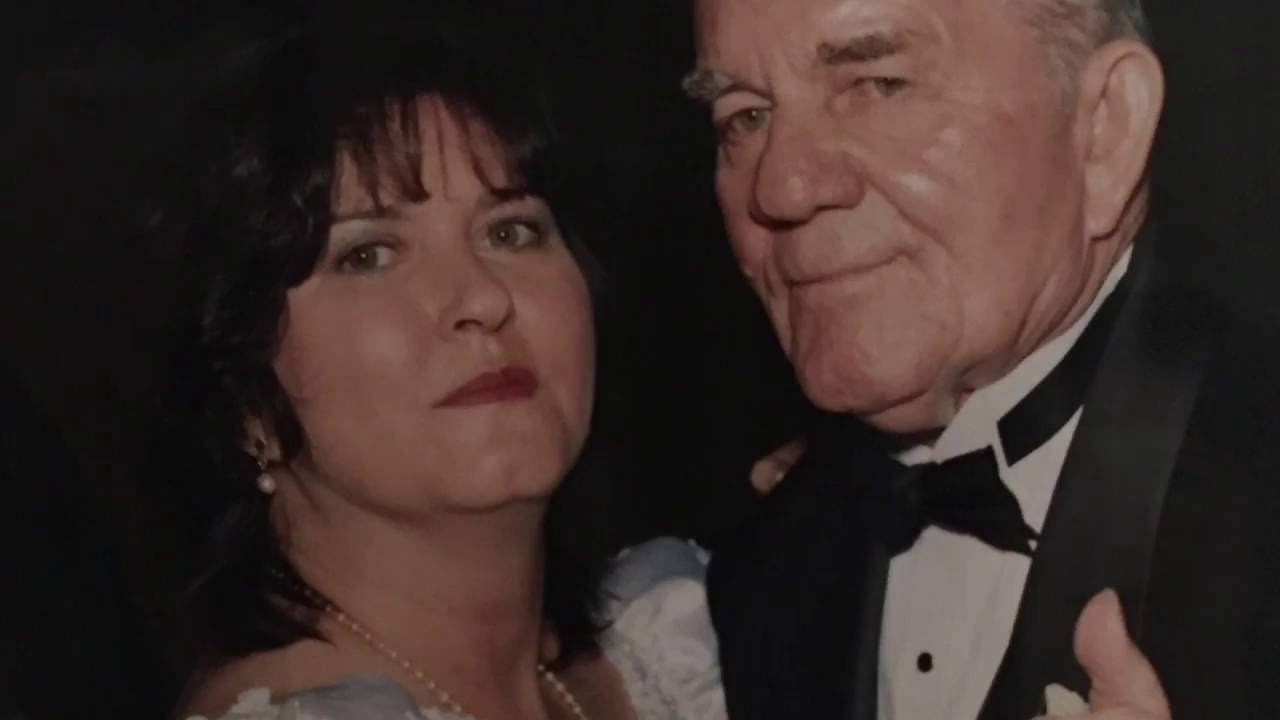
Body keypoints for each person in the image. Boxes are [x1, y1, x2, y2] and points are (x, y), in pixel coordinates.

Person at [684, 0, 1280, 718]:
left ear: (1105, 128)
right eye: (745, 117)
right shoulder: (761, 574)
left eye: (879, 85)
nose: (780, 186)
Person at [152, 6, 725, 719]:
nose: (481, 298)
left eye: (511, 232)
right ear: (246, 401)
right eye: (369, 255)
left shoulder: (689, 639)